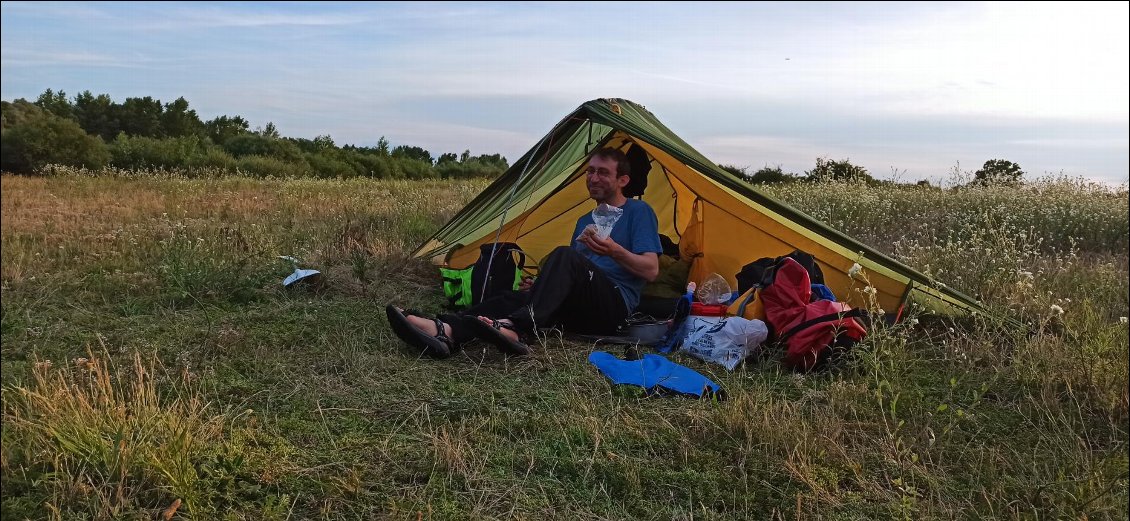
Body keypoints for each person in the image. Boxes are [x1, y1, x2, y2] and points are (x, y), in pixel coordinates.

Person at [386, 147, 662, 357]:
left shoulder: (638, 212)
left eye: (603, 172)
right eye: (590, 171)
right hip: (579, 310)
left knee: (564, 255)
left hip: (612, 309)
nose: (593, 177)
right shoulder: (584, 221)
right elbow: (578, 273)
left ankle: (518, 329)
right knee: (517, 295)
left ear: (623, 180)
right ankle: (447, 331)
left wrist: (614, 251)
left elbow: (650, 270)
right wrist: (545, 286)